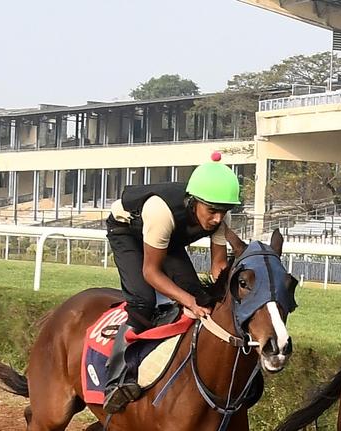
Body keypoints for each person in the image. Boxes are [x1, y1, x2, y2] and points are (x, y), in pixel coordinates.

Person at [101, 156, 240, 413]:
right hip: (127, 232)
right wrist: (188, 302)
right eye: (212, 211)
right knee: (143, 301)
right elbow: (151, 272)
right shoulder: (160, 211)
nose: (218, 219)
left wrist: (225, 295)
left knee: (201, 296)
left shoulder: (219, 216)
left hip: (167, 237)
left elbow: (217, 267)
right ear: (194, 202)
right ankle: (116, 381)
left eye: (224, 211)